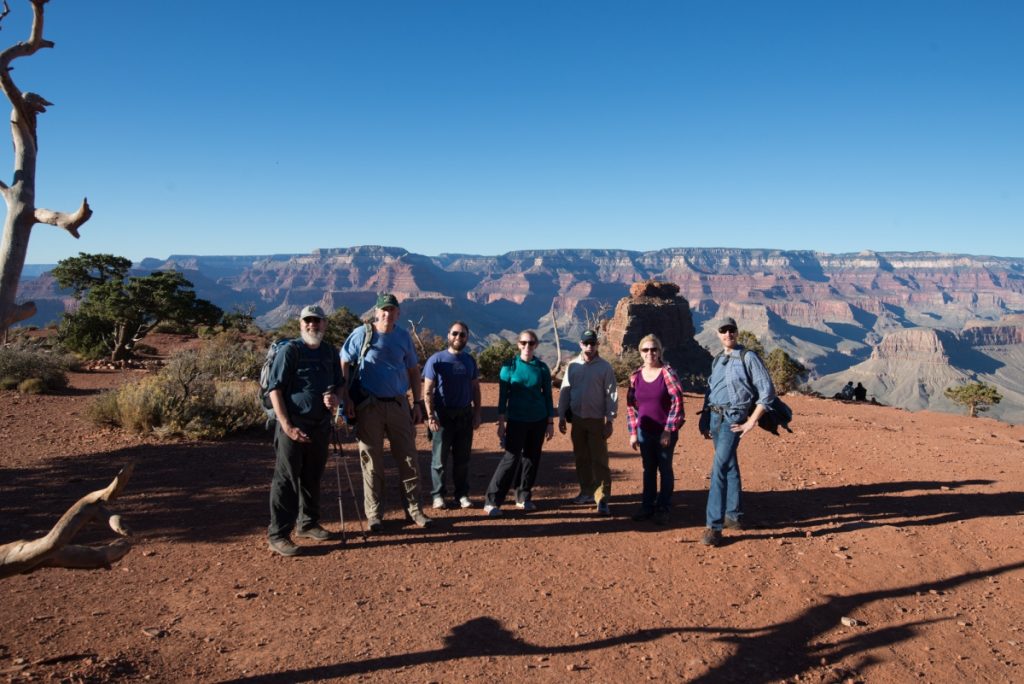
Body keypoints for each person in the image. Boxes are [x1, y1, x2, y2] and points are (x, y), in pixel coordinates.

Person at [340, 293, 431, 531]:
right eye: (383, 310)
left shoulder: (402, 336)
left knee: (409, 459)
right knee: (372, 462)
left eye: (392, 310)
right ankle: (374, 515)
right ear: (376, 312)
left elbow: (413, 370)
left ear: (398, 313)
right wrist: (346, 396)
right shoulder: (362, 334)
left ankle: (414, 511)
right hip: (369, 406)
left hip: (399, 404)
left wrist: (418, 403)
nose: (387, 314)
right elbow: (344, 361)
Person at [266, 305, 343, 557]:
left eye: (317, 321)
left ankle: (307, 523)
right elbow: (274, 390)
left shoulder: (330, 352)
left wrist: (335, 399)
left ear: (325, 324)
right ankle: (278, 534)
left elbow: (339, 386)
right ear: (301, 324)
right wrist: (287, 426)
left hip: (320, 425)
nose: (313, 325)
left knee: (312, 475)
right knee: (287, 479)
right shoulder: (291, 351)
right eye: (308, 321)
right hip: (293, 425)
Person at [698, 316, 777, 547]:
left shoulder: (748, 357)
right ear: (718, 333)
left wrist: (751, 421)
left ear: (737, 332)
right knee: (729, 464)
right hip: (715, 417)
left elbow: (767, 391)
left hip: (733, 419)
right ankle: (734, 516)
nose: (728, 334)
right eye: (723, 330)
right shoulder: (718, 358)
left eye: (731, 330)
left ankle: (713, 527)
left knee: (719, 468)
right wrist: (704, 419)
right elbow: (710, 391)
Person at [483, 330, 555, 516]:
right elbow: (502, 398)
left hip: (538, 420)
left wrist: (549, 422)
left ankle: (523, 496)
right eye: (524, 343)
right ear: (518, 344)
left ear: (536, 345)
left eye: (531, 343)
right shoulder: (509, 366)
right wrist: (500, 423)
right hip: (516, 419)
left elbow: (547, 396)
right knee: (511, 458)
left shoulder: (542, 368)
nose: (527, 346)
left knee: (531, 458)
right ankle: (492, 501)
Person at [626, 334, 685, 525]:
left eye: (654, 349)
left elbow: (677, 403)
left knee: (665, 468)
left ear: (660, 351)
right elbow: (631, 406)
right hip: (644, 430)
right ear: (640, 353)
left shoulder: (667, 373)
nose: (650, 353)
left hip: (664, 430)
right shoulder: (635, 376)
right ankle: (647, 506)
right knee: (648, 469)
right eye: (645, 350)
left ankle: (664, 507)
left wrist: (668, 430)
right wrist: (633, 432)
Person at [558, 329, 618, 516]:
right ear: (580, 344)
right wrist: (561, 416)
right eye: (586, 343)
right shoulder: (573, 366)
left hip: (596, 420)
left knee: (599, 460)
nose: (589, 347)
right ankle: (585, 491)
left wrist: (610, 420)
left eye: (593, 343)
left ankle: (602, 498)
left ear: (597, 345)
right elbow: (565, 392)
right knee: (581, 458)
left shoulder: (605, 367)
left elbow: (612, 395)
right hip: (577, 419)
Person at [423, 321, 482, 510]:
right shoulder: (436, 360)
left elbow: (475, 388)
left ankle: (462, 494)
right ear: (448, 334)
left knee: (462, 459)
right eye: (455, 333)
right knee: (439, 460)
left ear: (467, 338)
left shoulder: (469, 360)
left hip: (464, 415)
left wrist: (477, 413)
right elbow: (428, 391)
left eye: (462, 334)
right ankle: (438, 495)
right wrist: (430, 416)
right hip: (442, 416)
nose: (458, 337)